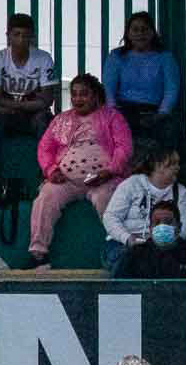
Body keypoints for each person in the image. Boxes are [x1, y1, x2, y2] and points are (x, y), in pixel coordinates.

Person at [28, 73, 132, 270]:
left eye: (84, 94)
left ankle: (121, 252)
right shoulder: (61, 120)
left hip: (103, 180)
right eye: (74, 94)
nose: (78, 99)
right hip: (66, 180)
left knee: (106, 200)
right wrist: (51, 170)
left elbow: (124, 147)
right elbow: (45, 148)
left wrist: (110, 171)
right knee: (45, 198)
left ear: (96, 96)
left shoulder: (112, 117)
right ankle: (38, 255)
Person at [0, 12, 59, 175]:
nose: (21, 40)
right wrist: (31, 105)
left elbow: (47, 100)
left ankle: (47, 174)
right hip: (9, 116)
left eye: (26, 36)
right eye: (16, 34)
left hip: (31, 117)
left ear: (32, 38)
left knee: (44, 122)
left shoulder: (44, 58)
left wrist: (12, 106)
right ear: (8, 36)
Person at [101, 144, 186, 276]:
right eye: (173, 164)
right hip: (123, 244)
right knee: (129, 260)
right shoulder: (132, 184)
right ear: (158, 165)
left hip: (164, 245)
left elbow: (185, 225)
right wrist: (127, 238)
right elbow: (110, 217)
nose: (177, 168)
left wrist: (165, 242)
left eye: (178, 163)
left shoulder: (180, 191)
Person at [103, 11, 181, 150]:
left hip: (154, 112)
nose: (140, 33)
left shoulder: (165, 57)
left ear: (152, 33)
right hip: (123, 111)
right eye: (135, 29)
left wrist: (161, 113)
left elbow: (172, 89)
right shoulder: (116, 56)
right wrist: (114, 113)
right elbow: (108, 88)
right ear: (128, 33)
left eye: (145, 29)